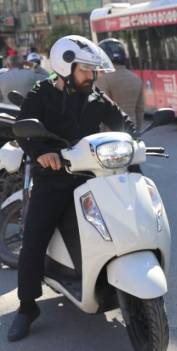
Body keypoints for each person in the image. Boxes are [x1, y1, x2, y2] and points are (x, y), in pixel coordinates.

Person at [6, 35, 135, 342]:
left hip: (92, 174)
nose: (91, 76)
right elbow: (23, 127)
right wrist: (41, 152)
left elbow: (122, 121)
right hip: (54, 177)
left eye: (93, 70)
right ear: (66, 67)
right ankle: (27, 307)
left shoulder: (93, 95)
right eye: (85, 70)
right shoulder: (43, 93)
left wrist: (134, 140)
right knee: (34, 236)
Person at [96, 38, 145, 131]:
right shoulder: (136, 79)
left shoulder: (103, 80)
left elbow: (101, 111)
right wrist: (137, 131)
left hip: (111, 137)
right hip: (131, 131)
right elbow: (140, 110)